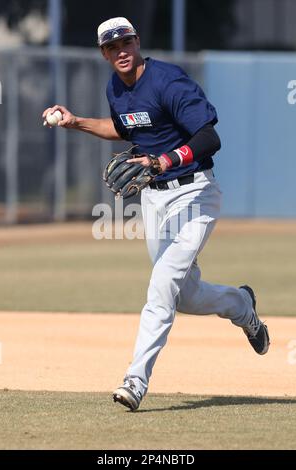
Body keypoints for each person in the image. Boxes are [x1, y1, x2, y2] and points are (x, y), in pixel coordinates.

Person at [42, 17, 270, 411]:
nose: (121, 51)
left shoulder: (168, 81)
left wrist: (164, 160)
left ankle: (135, 380)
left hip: (195, 194)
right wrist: (76, 121)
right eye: (112, 47)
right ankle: (241, 306)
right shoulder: (115, 87)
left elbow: (209, 136)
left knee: (160, 286)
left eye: (126, 43)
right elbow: (123, 128)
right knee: (184, 294)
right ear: (104, 54)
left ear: (137, 42)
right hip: (154, 200)